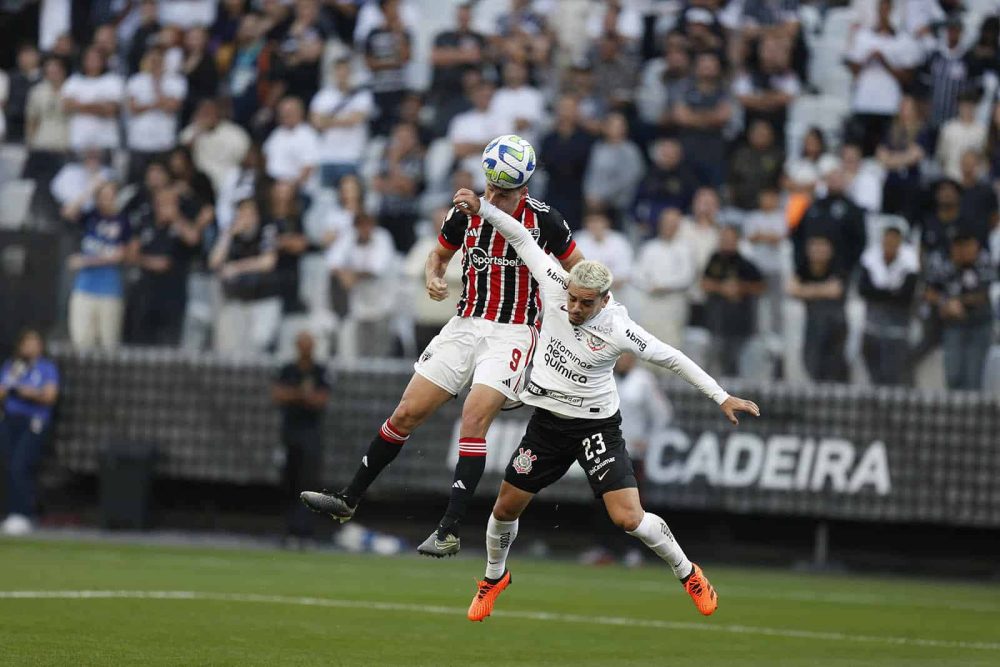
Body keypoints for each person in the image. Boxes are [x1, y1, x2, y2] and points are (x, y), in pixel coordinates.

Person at [447, 187, 759, 622]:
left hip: (596, 428)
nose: (574, 308)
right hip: (549, 426)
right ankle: (494, 577)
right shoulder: (556, 282)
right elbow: (520, 236)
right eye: (572, 298)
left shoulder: (619, 328)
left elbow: (673, 357)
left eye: (585, 303)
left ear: (605, 300)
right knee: (504, 508)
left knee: (628, 518)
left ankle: (688, 573)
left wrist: (721, 396)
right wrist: (482, 208)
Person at [301, 135, 583, 558]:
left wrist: (569, 317)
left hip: (513, 331)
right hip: (464, 324)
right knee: (406, 412)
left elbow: (578, 269)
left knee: (473, 417)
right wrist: (433, 276)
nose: (492, 198)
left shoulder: (546, 221)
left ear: (523, 191)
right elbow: (439, 256)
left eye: (502, 194)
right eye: (489, 189)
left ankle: (449, 529)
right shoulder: (463, 214)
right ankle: (348, 499)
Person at [271, 331, 331, 543]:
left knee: (308, 484)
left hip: (310, 435)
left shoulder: (320, 371)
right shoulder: (288, 369)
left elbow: (321, 400)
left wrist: (295, 395)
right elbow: (278, 395)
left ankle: (305, 531)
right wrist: (303, 395)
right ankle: (289, 531)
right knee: (289, 482)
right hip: (290, 433)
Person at [0, 330, 59, 536]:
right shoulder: (13, 366)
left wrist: (29, 393)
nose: (31, 347)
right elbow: (2, 391)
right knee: (8, 465)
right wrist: (11, 384)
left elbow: (50, 396)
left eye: (35, 342)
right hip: (10, 420)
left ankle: (24, 514)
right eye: (28, 342)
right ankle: (10, 513)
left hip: (34, 421)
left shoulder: (46, 368)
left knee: (20, 464)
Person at [63, 181, 133, 350]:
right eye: (103, 196)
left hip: (110, 290)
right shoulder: (91, 217)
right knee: (81, 341)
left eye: (111, 196)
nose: (107, 200)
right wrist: (89, 190)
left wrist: (86, 260)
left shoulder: (123, 221)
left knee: (109, 342)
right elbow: (68, 213)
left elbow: (120, 255)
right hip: (84, 288)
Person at [924, 234, 995, 390]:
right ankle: (955, 412)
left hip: (979, 325)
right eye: (961, 247)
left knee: (973, 377)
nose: (966, 251)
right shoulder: (943, 263)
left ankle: (972, 413)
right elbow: (929, 292)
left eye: (970, 246)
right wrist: (945, 303)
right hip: (953, 326)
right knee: (953, 374)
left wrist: (956, 302)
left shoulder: (984, 261)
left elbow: (983, 295)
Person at [701, 225, 766, 378]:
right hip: (717, 322)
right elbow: (704, 283)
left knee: (737, 365)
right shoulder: (714, 260)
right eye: (724, 238)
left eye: (730, 239)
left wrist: (740, 288)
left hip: (740, 325)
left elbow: (761, 286)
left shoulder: (745, 263)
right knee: (715, 363)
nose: (727, 242)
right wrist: (722, 288)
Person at [858, 225, 919, 385]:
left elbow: (906, 296)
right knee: (875, 376)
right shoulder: (871, 258)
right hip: (872, 329)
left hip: (897, 332)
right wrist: (891, 293)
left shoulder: (909, 262)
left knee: (895, 376)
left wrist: (880, 292)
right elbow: (864, 290)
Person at [788, 236, 848, 383]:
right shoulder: (803, 267)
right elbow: (792, 289)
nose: (818, 251)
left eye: (822, 247)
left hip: (835, 327)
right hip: (811, 326)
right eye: (814, 247)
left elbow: (835, 291)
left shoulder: (838, 267)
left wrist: (808, 291)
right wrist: (822, 290)